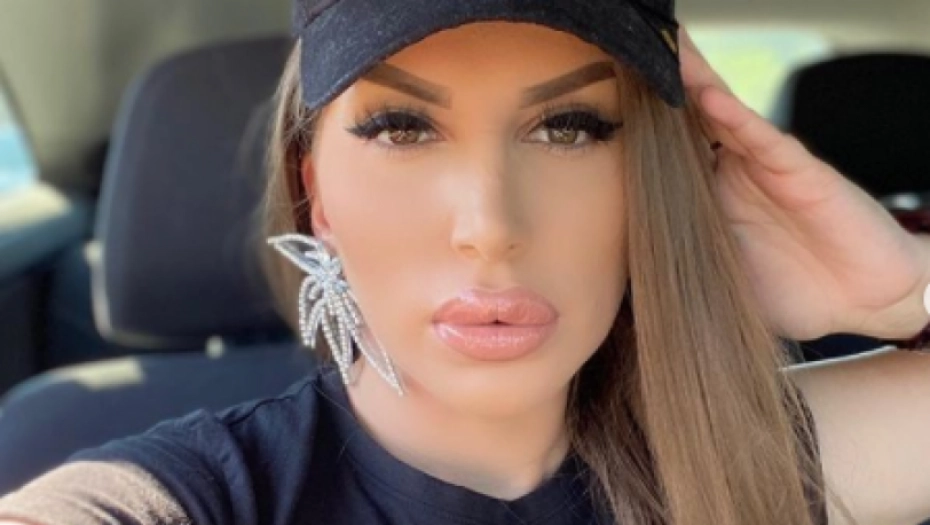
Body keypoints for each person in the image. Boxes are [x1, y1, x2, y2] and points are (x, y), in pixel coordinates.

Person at [2, 1, 930, 524]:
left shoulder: (734, 460)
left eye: (570, 128)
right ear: (317, 193)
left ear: (649, 186)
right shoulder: (193, 497)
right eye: (402, 127)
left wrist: (900, 293)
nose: (490, 227)